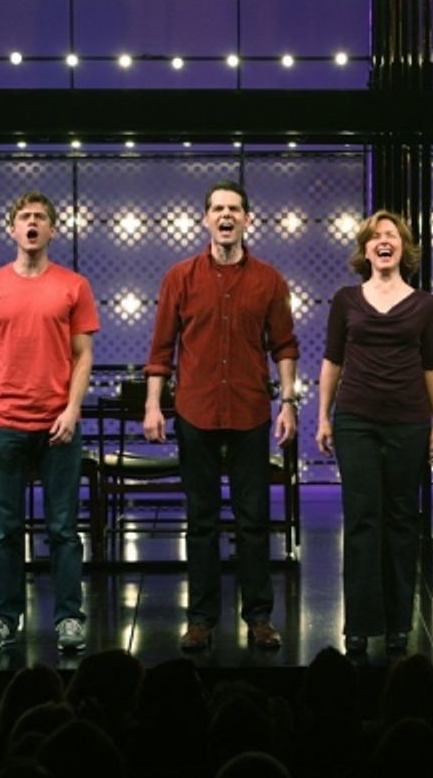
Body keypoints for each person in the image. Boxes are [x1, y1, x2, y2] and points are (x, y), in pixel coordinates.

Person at [144, 179, 299, 652]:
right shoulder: (180, 277)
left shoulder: (269, 280)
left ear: (247, 219)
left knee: (253, 521)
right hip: (196, 411)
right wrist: (153, 405)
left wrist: (288, 401)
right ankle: (201, 620)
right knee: (202, 522)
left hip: (251, 410)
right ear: (206, 219)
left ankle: (259, 618)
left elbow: (284, 346)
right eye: (218, 208)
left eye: (234, 209)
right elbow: (162, 348)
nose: (226, 215)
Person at [0, 190, 99, 654]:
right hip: (4, 423)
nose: (32, 223)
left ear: (52, 229)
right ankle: (3, 619)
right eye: (24, 217)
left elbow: (83, 355)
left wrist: (72, 409)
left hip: (57, 425)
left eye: (40, 217)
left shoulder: (73, 286)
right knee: (5, 531)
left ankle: (69, 619)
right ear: (12, 228)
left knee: (63, 529)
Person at [315, 210, 433, 655]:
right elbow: (332, 360)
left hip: (408, 421)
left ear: (403, 248)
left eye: (391, 235)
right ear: (366, 249)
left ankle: (397, 624)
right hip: (356, 420)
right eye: (375, 236)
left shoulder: (425, 304)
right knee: (362, 518)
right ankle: (359, 624)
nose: (383, 241)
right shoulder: (345, 300)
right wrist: (323, 416)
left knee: (402, 520)